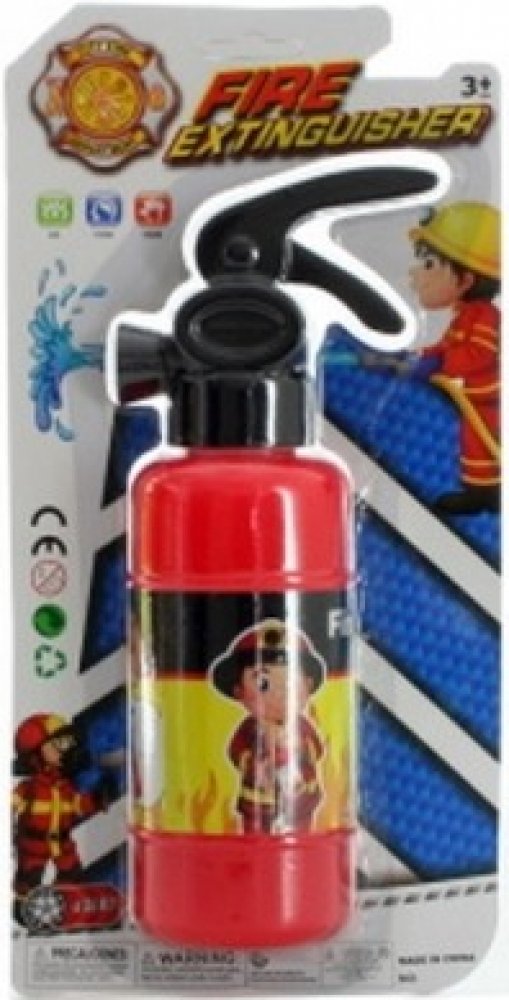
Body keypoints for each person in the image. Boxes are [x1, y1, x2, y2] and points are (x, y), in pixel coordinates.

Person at [409, 201, 501, 514]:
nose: (415, 274)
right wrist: (421, 355)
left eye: (429, 264)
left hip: (487, 396)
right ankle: (482, 492)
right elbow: (448, 346)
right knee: (474, 442)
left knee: (485, 440)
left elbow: (480, 355)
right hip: (473, 396)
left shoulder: (485, 317)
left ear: (466, 281)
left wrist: (442, 364)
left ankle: (489, 491)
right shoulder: (465, 315)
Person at [211, 619, 325, 833]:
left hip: (299, 795)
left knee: (301, 826)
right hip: (258, 797)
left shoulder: (301, 728)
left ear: (308, 685)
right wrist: (255, 764)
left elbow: (317, 750)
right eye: (263, 683)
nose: (280, 693)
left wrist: (296, 750)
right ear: (238, 691)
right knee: (255, 828)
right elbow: (236, 751)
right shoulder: (250, 729)